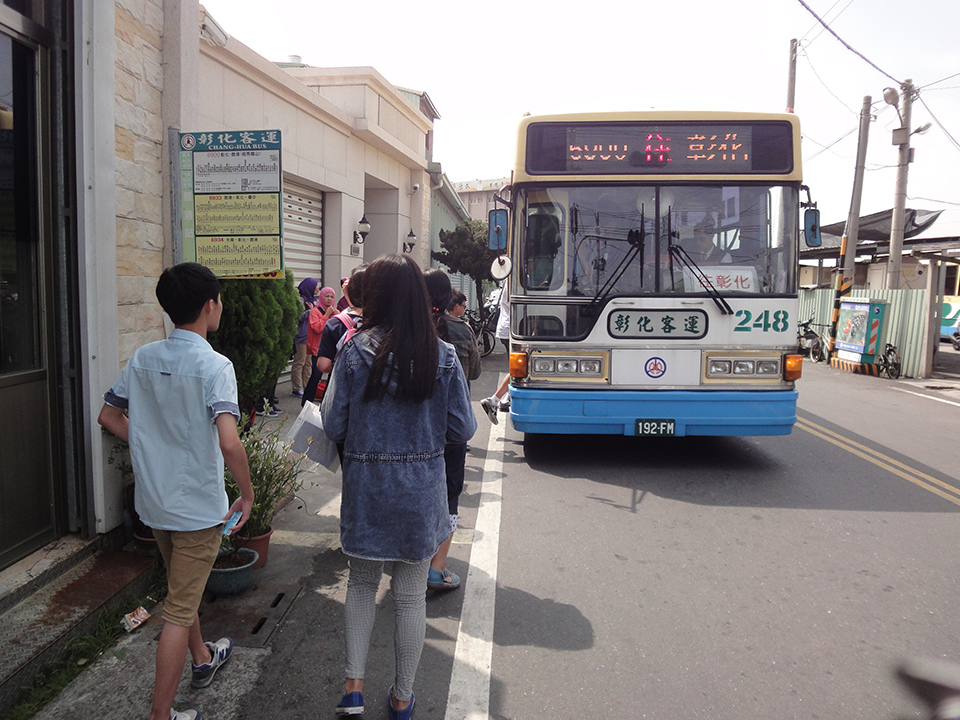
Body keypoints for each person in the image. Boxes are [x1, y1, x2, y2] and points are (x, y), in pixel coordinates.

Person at [321, 255, 476, 719]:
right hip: (420, 492)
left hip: (367, 488)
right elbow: (463, 429)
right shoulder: (442, 356)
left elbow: (332, 422)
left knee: (362, 584)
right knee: (409, 596)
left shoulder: (352, 351)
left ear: (377, 296)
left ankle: (352, 690)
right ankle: (403, 697)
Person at [98, 262, 254, 720]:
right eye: (220, 299)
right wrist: (246, 493)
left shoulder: (144, 357)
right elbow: (229, 441)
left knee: (180, 592)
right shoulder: (214, 365)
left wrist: (148, 445)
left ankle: (203, 661)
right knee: (178, 609)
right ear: (210, 305)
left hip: (154, 503)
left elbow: (109, 416)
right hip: (199, 510)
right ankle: (161, 715)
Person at [423, 271, 480, 592]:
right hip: (448, 431)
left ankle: (408, 560)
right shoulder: (459, 331)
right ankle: (436, 568)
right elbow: (475, 370)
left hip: (409, 437)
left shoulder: (389, 335)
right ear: (449, 300)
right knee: (448, 496)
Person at [300, 285, 336, 404]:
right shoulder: (315, 311)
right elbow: (316, 327)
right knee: (316, 376)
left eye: (332, 297)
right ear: (321, 297)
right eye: (327, 296)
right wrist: (326, 316)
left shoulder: (333, 312)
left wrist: (336, 314)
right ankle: (306, 401)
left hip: (331, 349)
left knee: (331, 378)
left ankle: (325, 402)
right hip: (318, 348)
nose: (329, 299)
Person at [481, 281, 511, 423]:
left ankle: (504, 398)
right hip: (511, 328)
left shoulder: (508, 280)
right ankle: (495, 400)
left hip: (507, 328)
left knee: (516, 369)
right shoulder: (514, 280)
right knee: (519, 369)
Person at [291, 277, 319, 397]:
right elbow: (298, 317)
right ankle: (296, 388)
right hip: (302, 336)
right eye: (315, 286)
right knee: (300, 361)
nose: (317, 288)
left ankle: (307, 386)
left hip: (311, 336)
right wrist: (310, 312)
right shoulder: (301, 300)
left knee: (308, 363)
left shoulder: (314, 300)